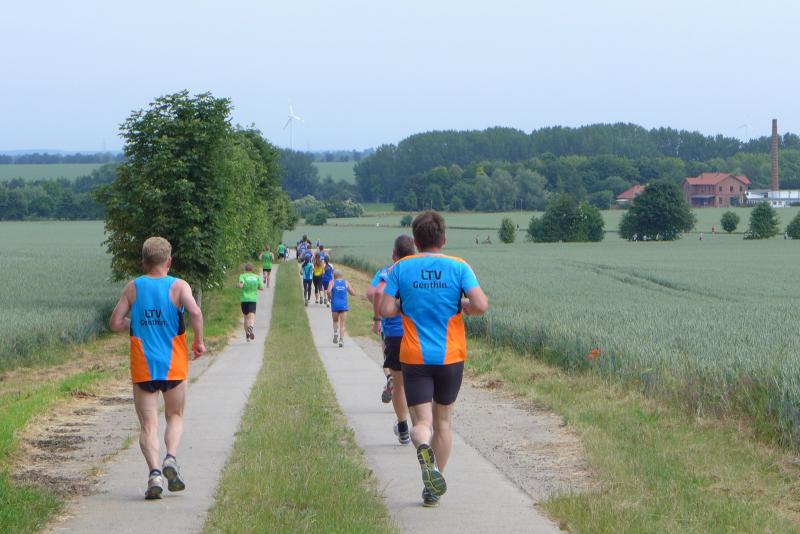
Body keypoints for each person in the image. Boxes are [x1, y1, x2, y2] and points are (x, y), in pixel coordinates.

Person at [380, 211, 488, 507]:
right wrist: (462, 306)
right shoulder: (459, 266)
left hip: (415, 356)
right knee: (444, 423)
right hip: (450, 356)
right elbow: (480, 305)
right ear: (444, 238)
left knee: (423, 422)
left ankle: (420, 440)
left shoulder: (401, 267)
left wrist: (405, 305)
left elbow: (385, 309)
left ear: (416, 241)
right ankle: (433, 486)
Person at [109, 237, 205, 500]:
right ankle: (170, 458)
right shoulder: (179, 286)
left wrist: (136, 324)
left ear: (144, 262)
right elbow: (196, 313)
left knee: (148, 425)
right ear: (169, 261)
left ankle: (154, 474)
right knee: (174, 416)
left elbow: (115, 323)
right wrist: (199, 341)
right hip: (174, 365)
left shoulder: (133, 288)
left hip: (144, 366)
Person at [367, 235, 415, 445]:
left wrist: (378, 316)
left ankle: (403, 427)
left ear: (394, 254)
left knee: (399, 383)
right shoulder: (418, 270)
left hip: (394, 333)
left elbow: (375, 292)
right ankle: (422, 427)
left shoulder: (388, 271)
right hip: (416, 333)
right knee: (417, 382)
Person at [327, 270, 355, 347]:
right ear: (341, 275)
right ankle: (341, 340)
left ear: (334, 276)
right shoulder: (345, 282)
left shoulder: (332, 282)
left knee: (335, 321)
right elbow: (353, 293)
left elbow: (328, 291)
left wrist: (329, 298)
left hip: (335, 305)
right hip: (343, 306)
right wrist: (351, 292)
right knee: (342, 324)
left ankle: (335, 333)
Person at [237, 262, 264, 341]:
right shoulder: (256, 277)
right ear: (252, 269)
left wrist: (237, 285)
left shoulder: (242, 276)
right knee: (251, 317)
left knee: (246, 318)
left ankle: (247, 336)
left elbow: (241, 285)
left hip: (244, 299)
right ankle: (251, 328)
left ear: (245, 269)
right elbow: (261, 288)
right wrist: (255, 287)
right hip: (252, 299)